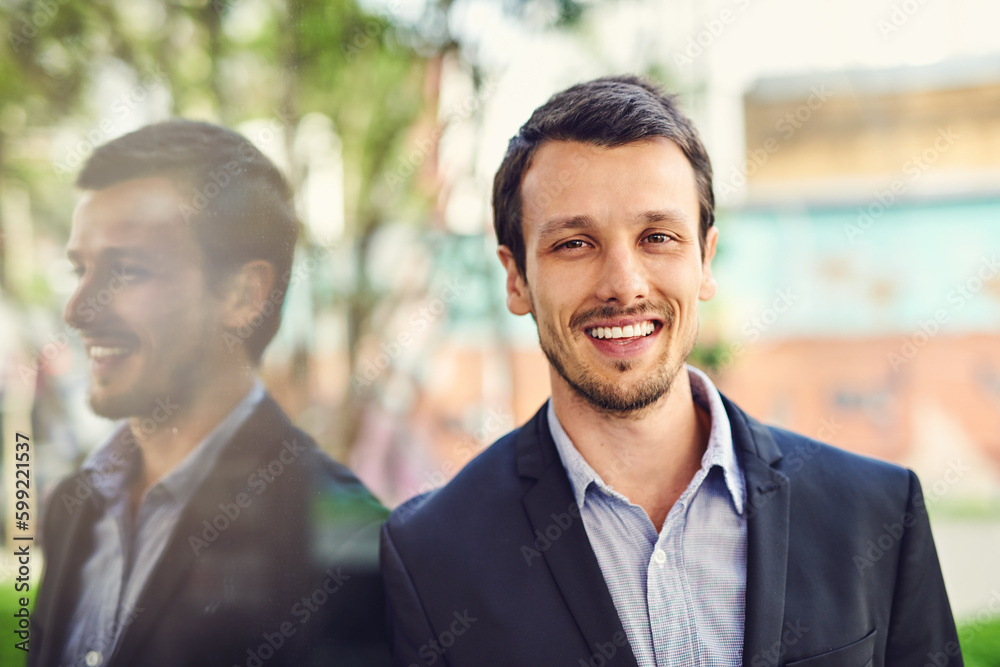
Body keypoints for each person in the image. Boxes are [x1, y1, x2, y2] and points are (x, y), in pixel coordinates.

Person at [380, 76, 961, 666]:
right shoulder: (432, 554)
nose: (623, 285)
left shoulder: (877, 514)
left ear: (705, 260)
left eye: (657, 236)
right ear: (516, 278)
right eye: (575, 244)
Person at [31, 120, 390, 667]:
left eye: (126, 271)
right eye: (80, 269)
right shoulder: (72, 509)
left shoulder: (346, 536)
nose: (78, 310)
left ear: (244, 296)